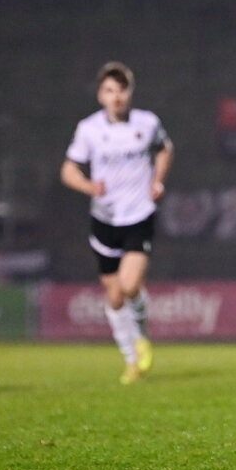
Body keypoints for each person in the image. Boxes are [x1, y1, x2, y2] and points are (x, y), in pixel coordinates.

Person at [61, 62, 173, 384]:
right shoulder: (89, 129)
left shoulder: (147, 123)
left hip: (138, 215)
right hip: (104, 219)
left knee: (129, 286)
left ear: (130, 93)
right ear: (100, 95)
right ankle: (131, 359)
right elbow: (69, 170)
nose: (117, 96)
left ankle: (141, 335)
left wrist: (158, 181)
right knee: (112, 296)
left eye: (122, 89)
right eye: (110, 90)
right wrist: (87, 186)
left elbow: (165, 150)